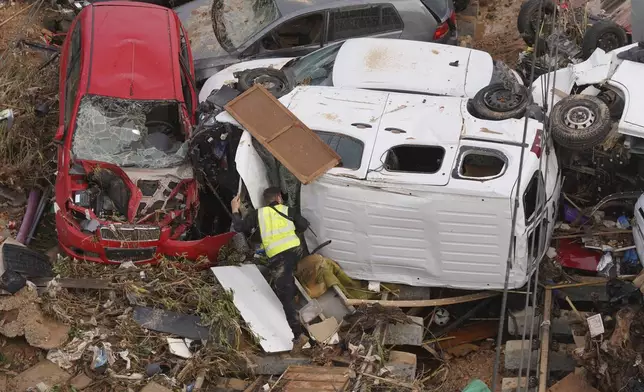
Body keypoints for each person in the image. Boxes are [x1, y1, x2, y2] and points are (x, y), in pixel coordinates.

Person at [231, 187, 310, 351]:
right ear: (279, 197)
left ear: (265, 200)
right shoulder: (288, 210)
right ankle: (298, 301)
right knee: (290, 281)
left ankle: (299, 336)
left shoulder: (258, 214)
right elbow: (303, 225)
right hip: (296, 253)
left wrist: (234, 209)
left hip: (279, 259)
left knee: (285, 298)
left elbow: (239, 227)